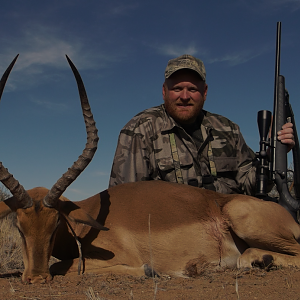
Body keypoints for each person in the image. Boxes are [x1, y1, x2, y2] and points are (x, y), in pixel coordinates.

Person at [109, 54, 294, 195]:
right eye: (176, 88)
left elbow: (250, 186)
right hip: (169, 234)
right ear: (164, 91)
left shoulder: (228, 129)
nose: (184, 96)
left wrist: (272, 156)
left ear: (204, 92)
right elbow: (125, 200)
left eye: (192, 89)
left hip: (229, 227)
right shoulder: (140, 129)